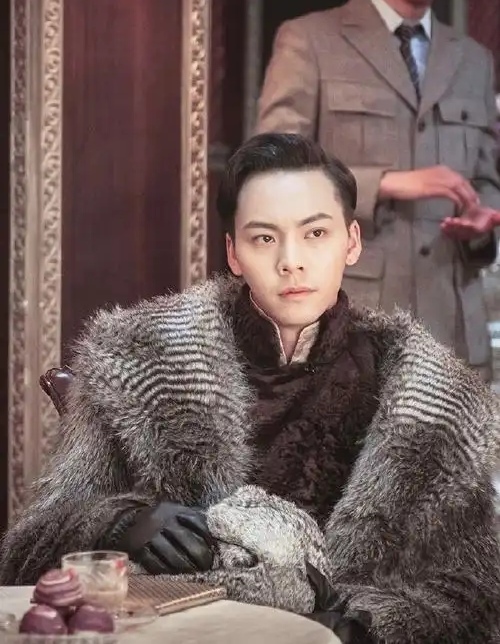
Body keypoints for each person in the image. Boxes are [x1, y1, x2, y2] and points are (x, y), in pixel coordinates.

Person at [1, 133, 500, 644]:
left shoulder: (431, 398)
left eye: (315, 233)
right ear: (233, 253)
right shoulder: (139, 363)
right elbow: (26, 553)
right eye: (264, 238)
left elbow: (475, 599)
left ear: (351, 242)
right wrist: (120, 523)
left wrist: (363, 626)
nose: (291, 261)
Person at [256, 0, 500, 382]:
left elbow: (487, 181)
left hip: (454, 336)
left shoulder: (474, 59)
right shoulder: (309, 40)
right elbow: (273, 171)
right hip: (353, 328)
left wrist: (481, 223)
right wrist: (384, 183)